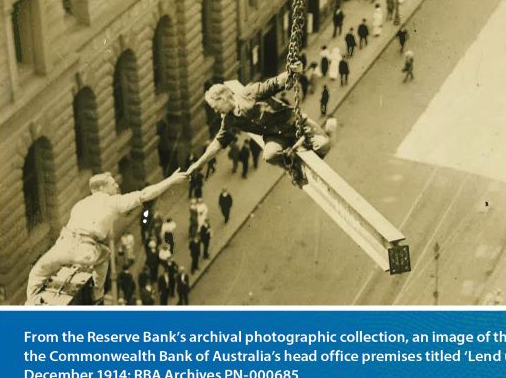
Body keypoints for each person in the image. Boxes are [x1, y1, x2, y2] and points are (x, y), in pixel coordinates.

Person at [25, 170, 186, 305]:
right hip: (85, 249)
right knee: (105, 254)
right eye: (112, 183)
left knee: (37, 272)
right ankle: (97, 296)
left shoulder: (81, 203)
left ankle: (30, 304)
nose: (117, 185)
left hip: (63, 245)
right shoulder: (112, 202)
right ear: (101, 187)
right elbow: (145, 194)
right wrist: (171, 180)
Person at [187, 68, 331, 181]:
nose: (215, 110)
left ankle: (299, 146)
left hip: (295, 122)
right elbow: (216, 144)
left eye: (214, 106)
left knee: (323, 145)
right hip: (275, 136)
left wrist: (291, 74)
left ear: (223, 98)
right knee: (269, 155)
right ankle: (292, 164)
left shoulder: (249, 93)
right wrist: (198, 164)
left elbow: (273, 84)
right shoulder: (229, 120)